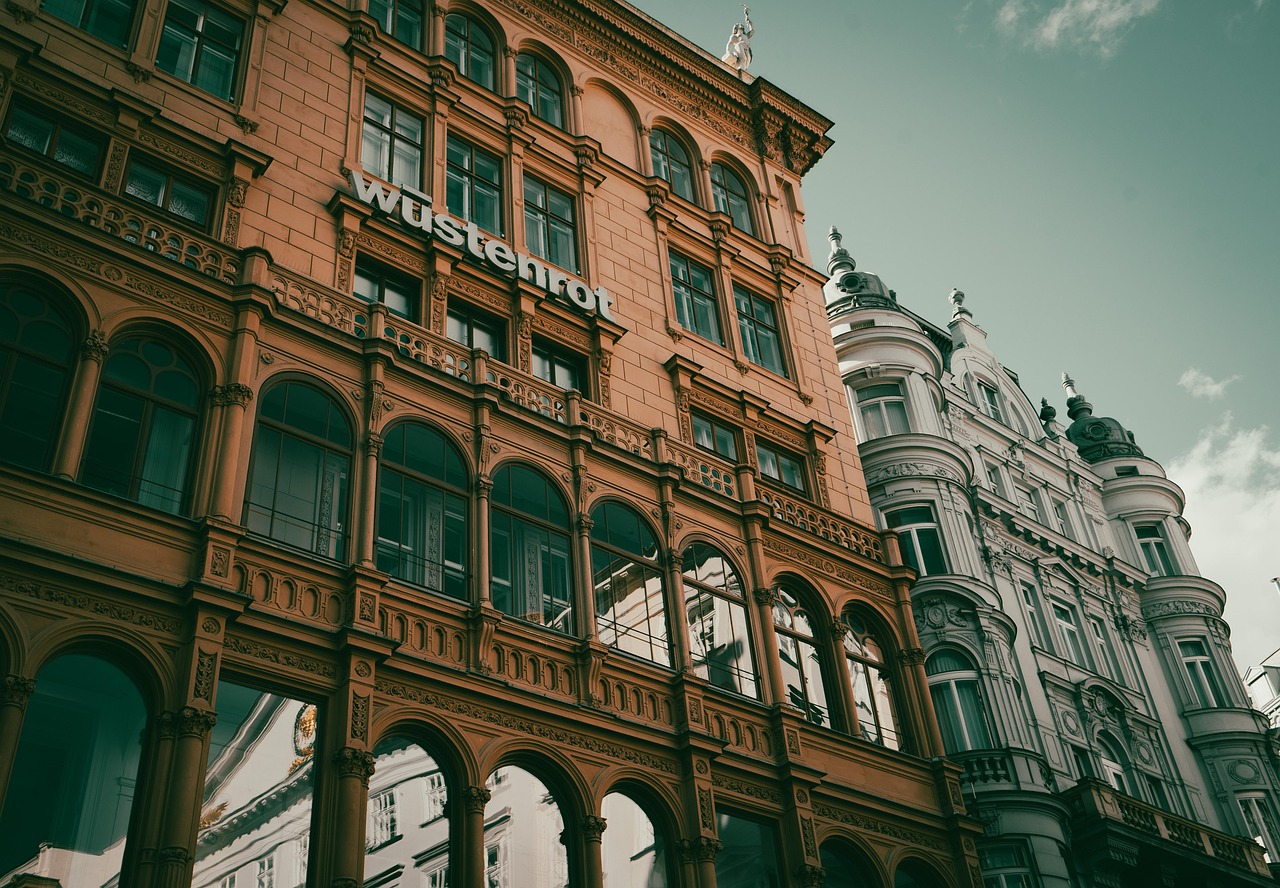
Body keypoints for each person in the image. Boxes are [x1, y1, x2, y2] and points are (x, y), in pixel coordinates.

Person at [721, 5, 754, 73]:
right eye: (739, 24)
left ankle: (742, 74)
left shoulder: (745, 35)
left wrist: (747, 18)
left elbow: (752, 31)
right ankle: (740, 73)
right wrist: (728, 51)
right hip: (739, 47)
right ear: (736, 28)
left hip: (747, 49)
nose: (741, 25)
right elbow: (729, 44)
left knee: (746, 64)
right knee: (743, 59)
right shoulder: (735, 36)